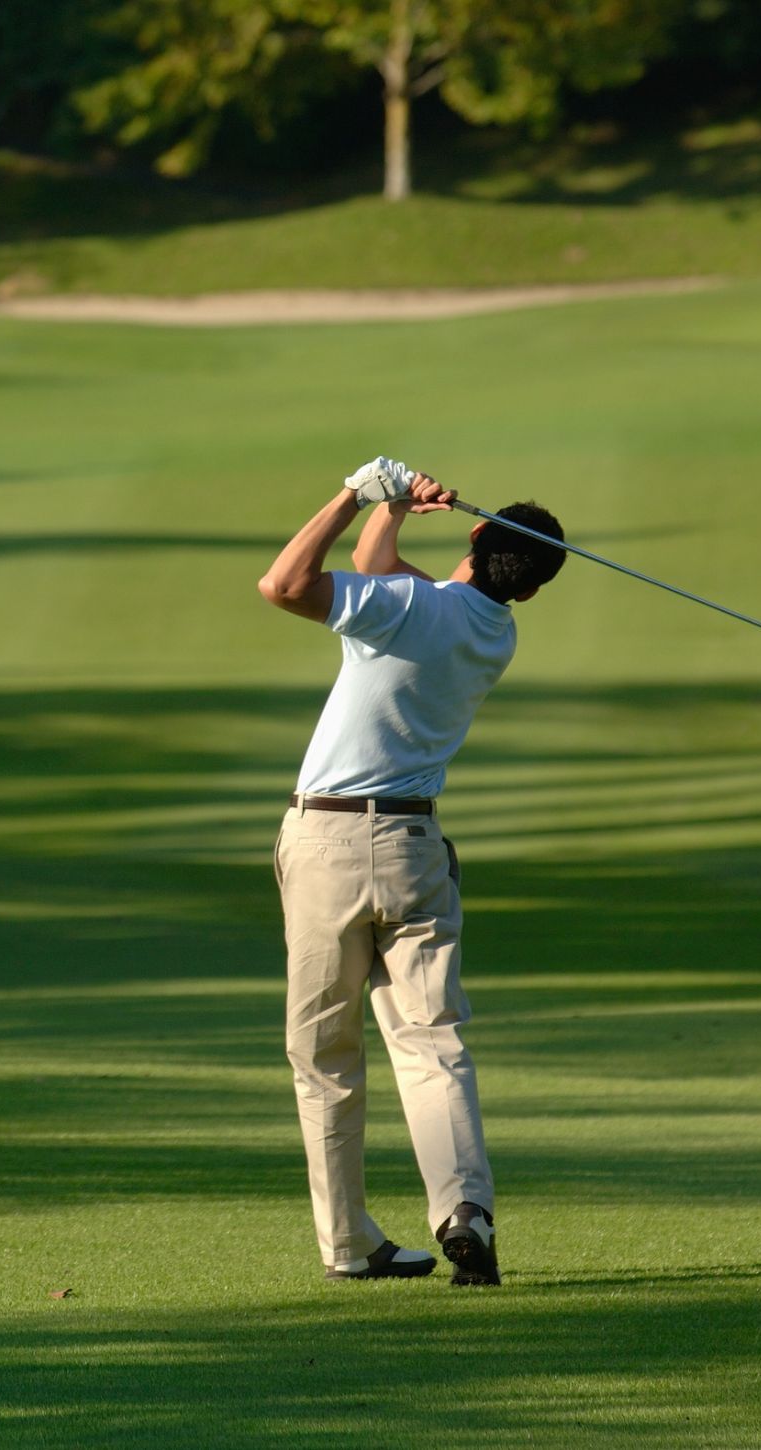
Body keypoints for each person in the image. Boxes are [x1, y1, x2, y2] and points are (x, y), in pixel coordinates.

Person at [255, 458, 567, 1286]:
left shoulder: (407, 610)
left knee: (326, 1054)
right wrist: (389, 514)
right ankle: (466, 1210)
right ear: (530, 587)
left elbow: (284, 584)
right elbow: (381, 578)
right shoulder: (494, 631)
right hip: (417, 854)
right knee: (432, 1042)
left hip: (328, 845)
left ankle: (349, 1246)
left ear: (473, 532)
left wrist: (357, 496)